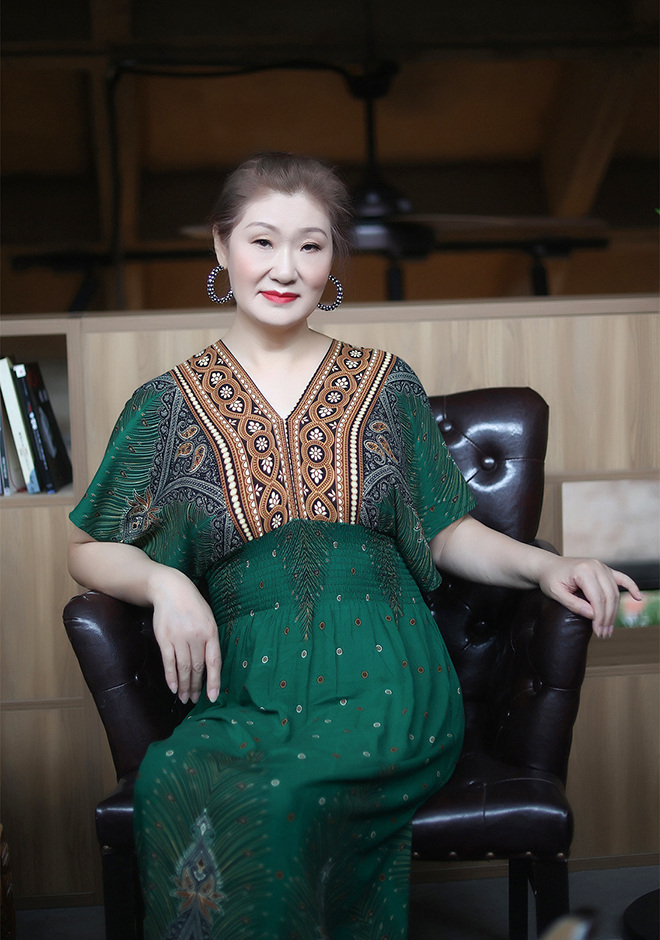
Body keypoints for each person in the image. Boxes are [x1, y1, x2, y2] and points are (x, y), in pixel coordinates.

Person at [67, 152, 640, 940]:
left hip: (386, 669)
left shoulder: (385, 383)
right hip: (248, 685)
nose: (285, 268)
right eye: (263, 241)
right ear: (221, 246)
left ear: (333, 259)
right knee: (182, 779)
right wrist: (166, 585)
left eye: (311, 245)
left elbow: (446, 530)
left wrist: (550, 564)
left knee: (281, 799)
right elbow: (91, 549)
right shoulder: (164, 406)